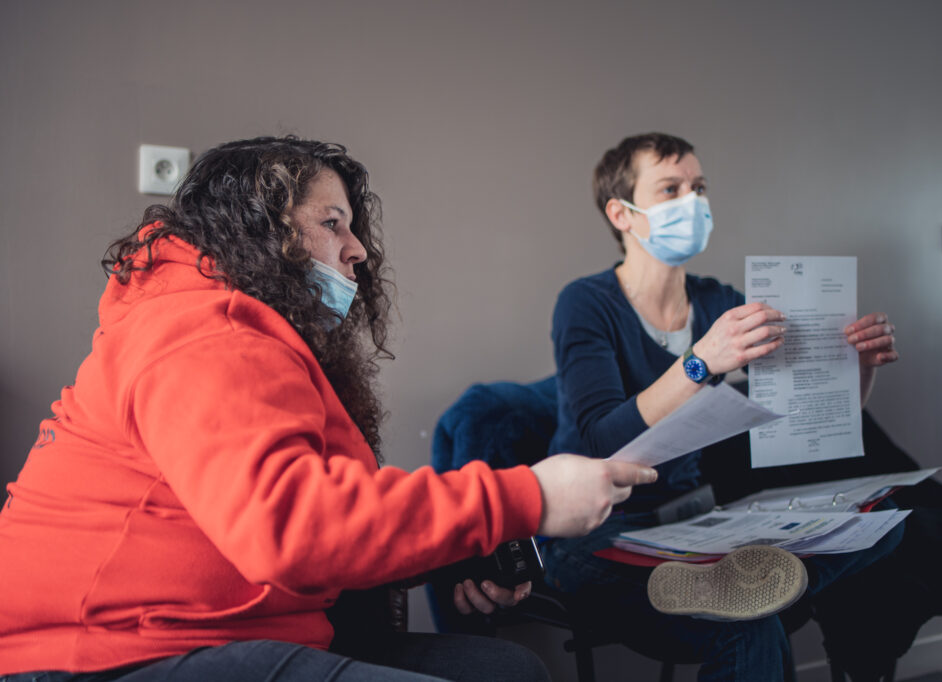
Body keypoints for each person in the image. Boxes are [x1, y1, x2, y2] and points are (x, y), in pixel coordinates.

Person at [0, 136, 659, 682]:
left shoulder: (241, 333)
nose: (359, 251)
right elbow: (289, 527)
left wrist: (459, 557)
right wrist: (526, 499)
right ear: (259, 229)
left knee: (506, 670)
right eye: (332, 223)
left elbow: (328, 514)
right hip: (104, 654)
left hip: (216, 631)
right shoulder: (202, 329)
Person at [541, 132, 904, 681]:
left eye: (699, 187)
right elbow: (600, 443)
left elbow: (818, 421)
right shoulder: (586, 303)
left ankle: (762, 585)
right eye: (671, 189)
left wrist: (859, 367)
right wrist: (700, 361)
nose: (694, 202)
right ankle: (758, 592)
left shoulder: (719, 301)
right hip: (596, 531)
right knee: (751, 625)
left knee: (886, 526)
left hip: (695, 519)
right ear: (622, 213)